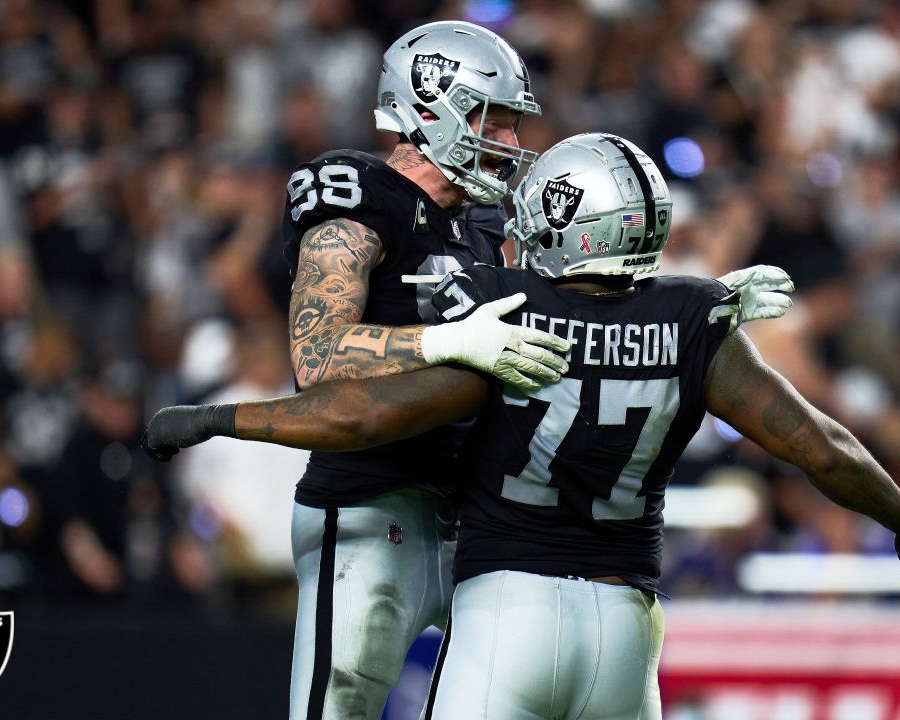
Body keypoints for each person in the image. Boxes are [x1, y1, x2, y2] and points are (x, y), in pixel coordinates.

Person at [145, 133, 900, 719]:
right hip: (629, 626)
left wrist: (226, 417)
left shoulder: (511, 314)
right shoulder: (696, 320)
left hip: (510, 613)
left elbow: (366, 412)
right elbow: (819, 445)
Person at [269, 20, 794, 720]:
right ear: (429, 106)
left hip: (485, 522)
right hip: (374, 504)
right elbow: (317, 356)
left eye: (516, 125)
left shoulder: (499, 221)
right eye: (497, 121)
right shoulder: (356, 194)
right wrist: (450, 344)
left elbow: (590, 325)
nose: (511, 144)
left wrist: (694, 307)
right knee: (337, 707)